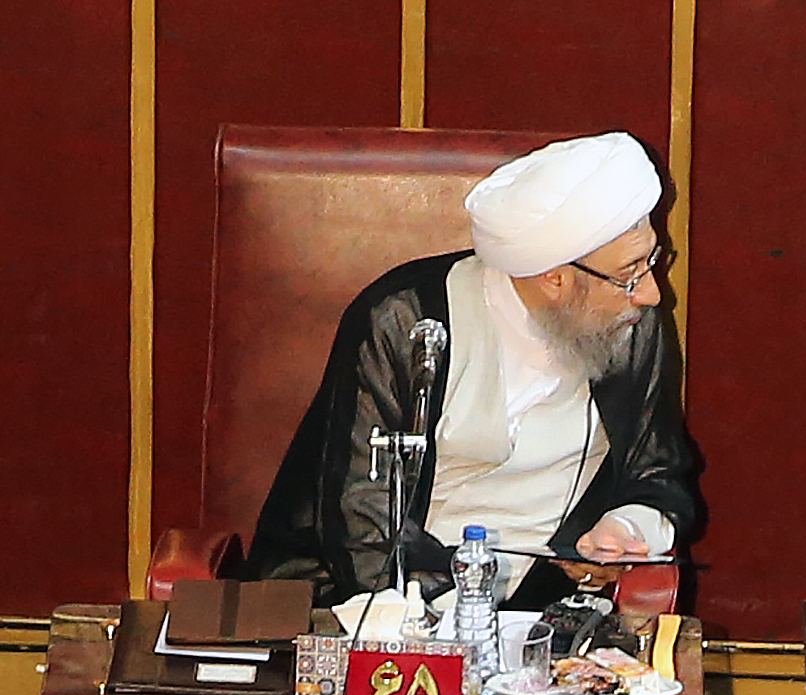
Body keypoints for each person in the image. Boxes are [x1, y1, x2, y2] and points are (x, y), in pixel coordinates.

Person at [243, 132, 695, 609]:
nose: (651, 294)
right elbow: (362, 522)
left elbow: (658, 470)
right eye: (629, 274)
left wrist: (625, 527)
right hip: (383, 605)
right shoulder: (405, 320)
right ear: (554, 278)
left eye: (650, 261)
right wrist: (451, 624)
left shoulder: (630, 323)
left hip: (540, 614)